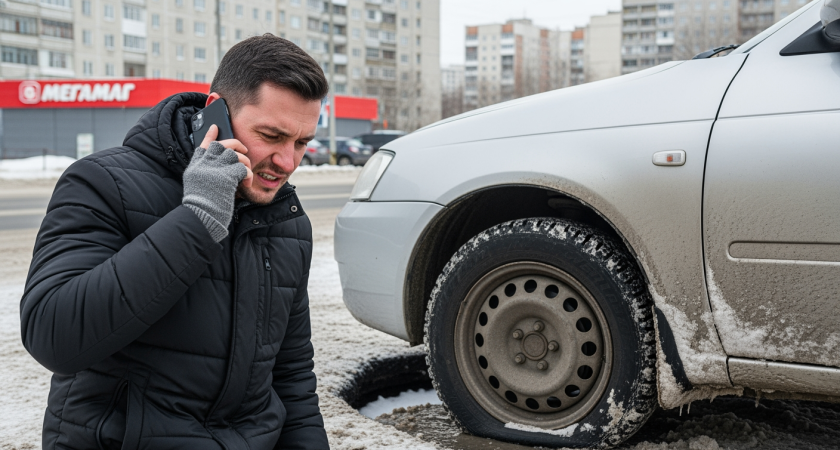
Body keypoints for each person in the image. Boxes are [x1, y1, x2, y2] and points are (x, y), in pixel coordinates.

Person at [20, 34, 330, 450]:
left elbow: (291, 378)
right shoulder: (102, 183)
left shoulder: (286, 222)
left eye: (302, 143)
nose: (288, 162)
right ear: (214, 112)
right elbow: (52, 336)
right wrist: (197, 217)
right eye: (272, 136)